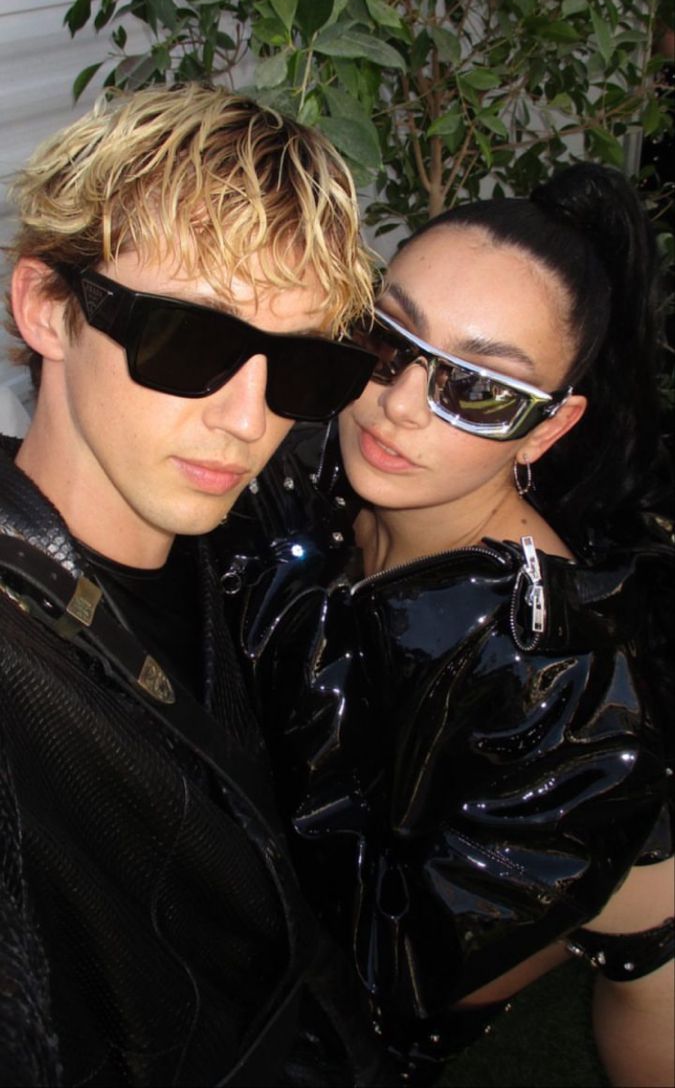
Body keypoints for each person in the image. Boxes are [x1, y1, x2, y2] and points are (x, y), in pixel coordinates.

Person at [219, 162, 675, 1087]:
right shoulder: (313, 469)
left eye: (477, 392)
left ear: (544, 431)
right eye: (388, 341)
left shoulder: (556, 676)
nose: (398, 404)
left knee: (648, 962)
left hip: (616, 844)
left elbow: (412, 978)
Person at [0, 84, 383, 1085]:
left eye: (299, 365)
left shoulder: (221, 552)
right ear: (47, 307)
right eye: (195, 344)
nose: (250, 420)